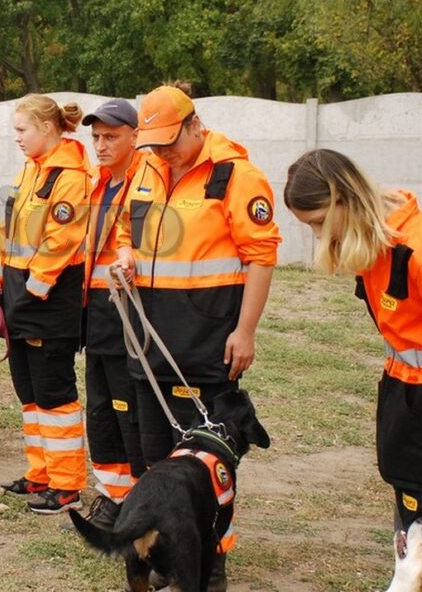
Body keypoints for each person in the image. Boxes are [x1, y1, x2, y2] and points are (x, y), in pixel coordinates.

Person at [113, 83, 281, 587]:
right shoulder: (143, 169)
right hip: (148, 341)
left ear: (194, 125)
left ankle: (210, 560)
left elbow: (261, 256)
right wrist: (124, 256)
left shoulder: (236, 177)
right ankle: (162, 554)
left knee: (208, 468)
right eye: (155, 143)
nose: (163, 152)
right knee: (154, 456)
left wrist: (245, 331)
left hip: (206, 342)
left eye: (171, 141)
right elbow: (125, 228)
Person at [285, 149, 422, 543]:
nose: (321, 236)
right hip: (408, 407)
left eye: (320, 222)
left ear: (343, 197)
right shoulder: (378, 251)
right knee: (415, 521)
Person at [0, 94, 91, 515]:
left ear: (47, 128)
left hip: (47, 302)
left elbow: (60, 242)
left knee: (54, 395)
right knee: (29, 393)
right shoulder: (33, 170)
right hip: (17, 297)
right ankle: (40, 474)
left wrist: (29, 293)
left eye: (22, 129)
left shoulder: (71, 176)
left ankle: (66, 487)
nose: (17, 138)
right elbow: (6, 234)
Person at [78, 98, 148, 530]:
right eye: (96, 137)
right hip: (99, 309)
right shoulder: (101, 183)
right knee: (102, 408)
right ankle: (111, 496)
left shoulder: (146, 181)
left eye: (111, 137)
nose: (101, 146)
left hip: (132, 308)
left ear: (135, 136)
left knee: (130, 408)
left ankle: (139, 500)